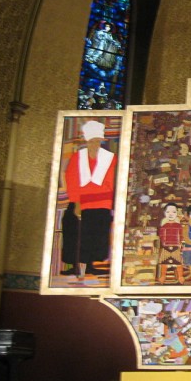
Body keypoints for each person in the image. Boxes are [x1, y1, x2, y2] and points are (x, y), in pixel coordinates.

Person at [62, 119, 116, 278]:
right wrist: (77, 201)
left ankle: (91, 265)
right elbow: (71, 178)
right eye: (92, 141)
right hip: (79, 201)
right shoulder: (77, 157)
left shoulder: (110, 158)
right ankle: (74, 265)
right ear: (87, 141)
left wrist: (103, 196)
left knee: (97, 234)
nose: (94, 144)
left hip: (101, 203)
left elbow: (110, 180)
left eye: (97, 141)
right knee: (74, 232)